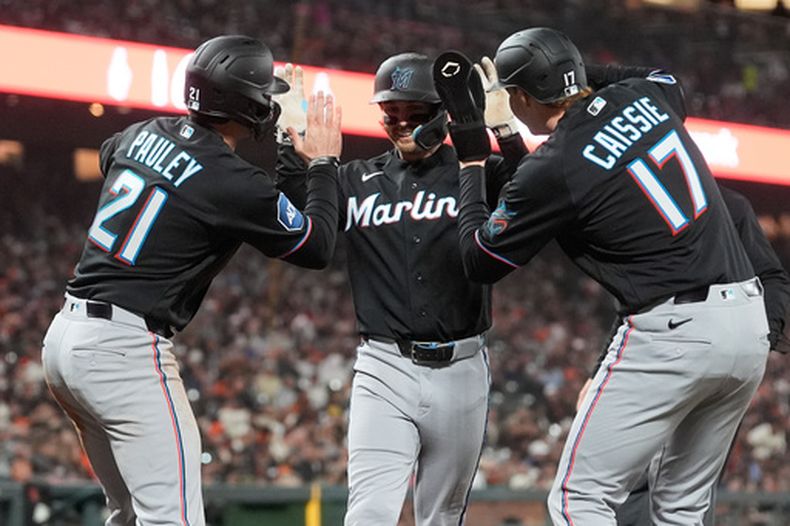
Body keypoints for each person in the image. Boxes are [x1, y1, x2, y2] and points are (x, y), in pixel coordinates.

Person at [433, 28, 771, 524]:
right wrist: (554, 87)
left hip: (673, 334)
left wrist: (471, 160)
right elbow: (665, 79)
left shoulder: (556, 162)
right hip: (746, 322)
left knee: (578, 499)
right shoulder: (642, 95)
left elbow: (480, 257)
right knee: (681, 507)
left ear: (521, 96)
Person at [41, 35, 342, 525]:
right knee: (173, 518)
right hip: (123, 350)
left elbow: (109, 155)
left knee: (131, 513)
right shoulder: (231, 180)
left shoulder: (142, 132)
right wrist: (322, 162)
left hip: (64, 340)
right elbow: (316, 246)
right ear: (249, 105)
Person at [274, 53, 526, 525]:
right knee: (369, 512)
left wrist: (506, 134)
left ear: (443, 114)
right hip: (383, 365)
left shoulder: (478, 171)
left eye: (416, 115)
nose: (402, 124)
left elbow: (532, 196)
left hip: (462, 365)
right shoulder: (355, 180)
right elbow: (297, 219)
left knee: (442, 517)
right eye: (392, 114)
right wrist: (290, 146)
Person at [577, 185, 790, 526]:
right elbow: (638, 303)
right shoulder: (640, 199)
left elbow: (772, 278)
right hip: (660, 346)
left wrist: (760, 338)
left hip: (705, 350)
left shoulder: (729, 205)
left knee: (669, 496)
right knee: (654, 496)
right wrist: (599, 369)